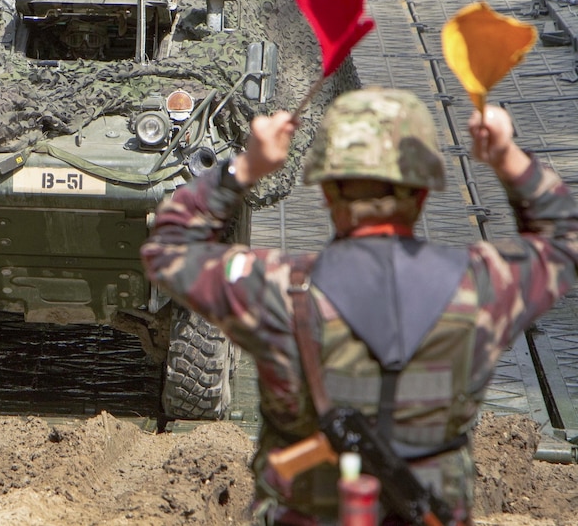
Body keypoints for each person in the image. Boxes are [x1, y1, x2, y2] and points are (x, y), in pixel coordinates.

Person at [141, 87, 578, 524]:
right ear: (423, 194)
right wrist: (508, 157)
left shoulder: (275, 287)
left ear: (328, 193)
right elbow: (564, 243)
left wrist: (245, 167)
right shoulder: (483, 285)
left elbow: (166, 249)